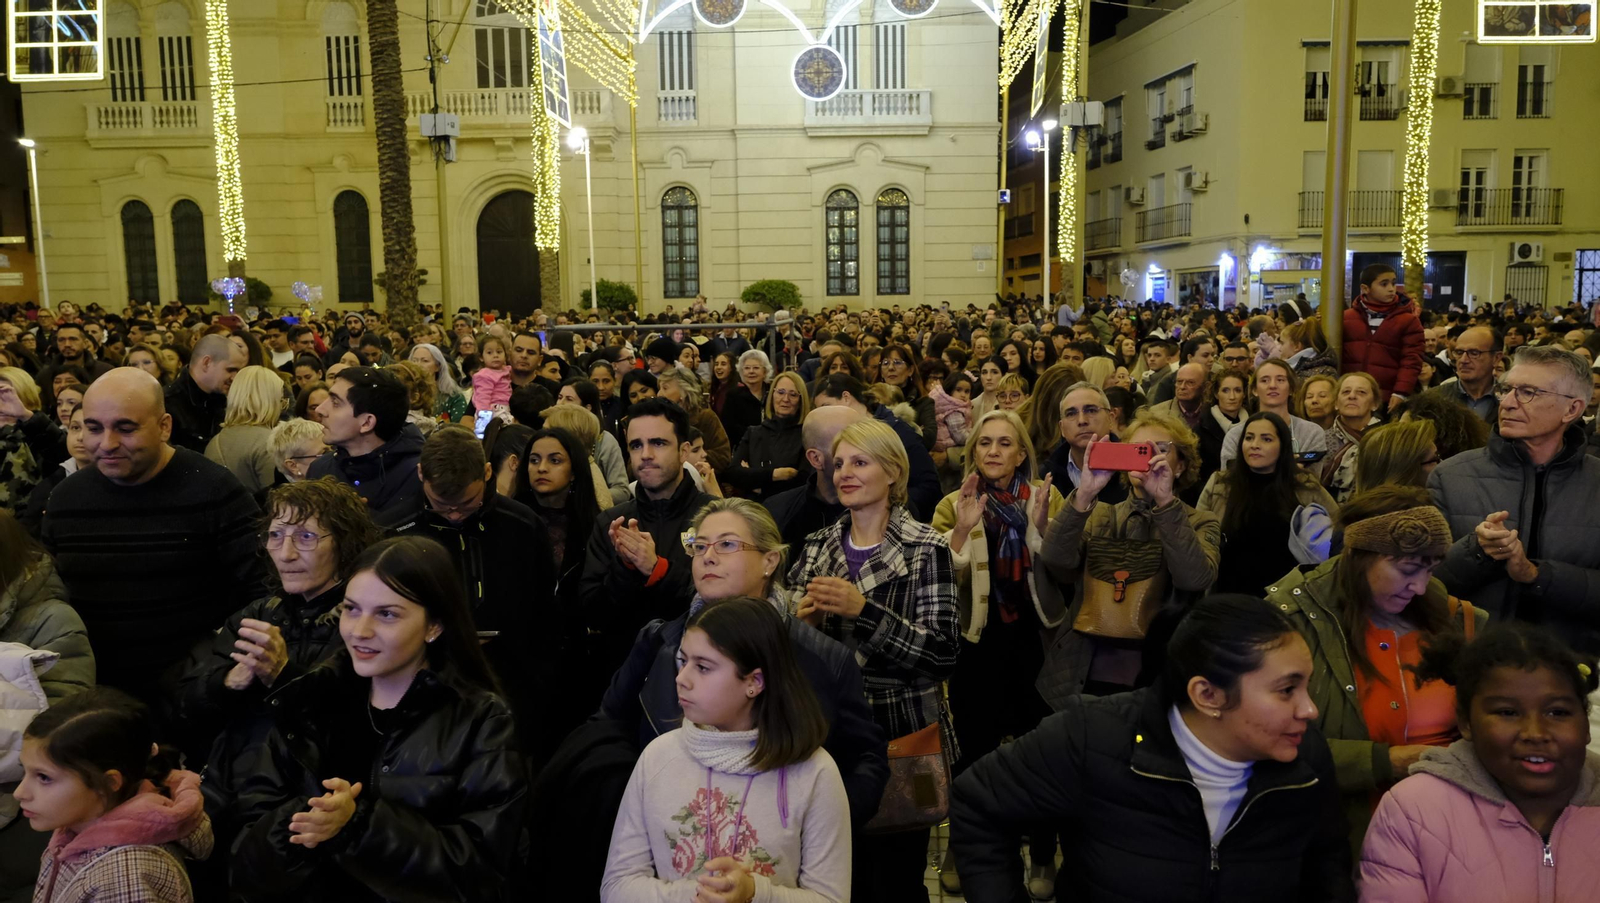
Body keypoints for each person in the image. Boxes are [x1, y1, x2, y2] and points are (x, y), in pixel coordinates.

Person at [949, 595, 1354, 902]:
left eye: (1306, 686)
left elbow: (1327, 865)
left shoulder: (1305, 760)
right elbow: (978, 804)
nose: (1310, 709)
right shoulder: (1094, 737)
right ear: (1207, 694)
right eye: (1287, 690)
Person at [228, 537, 528, 901]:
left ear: (433, 626)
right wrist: (307, 817)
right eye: (352, 609)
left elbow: (480, 871)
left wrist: (357, 826)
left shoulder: (480, 720)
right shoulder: (310, 703)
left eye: (387, 614)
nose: (359, 631)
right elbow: (246, 865)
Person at [597, 499, 888, 823]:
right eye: (700, 545)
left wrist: (815, 829)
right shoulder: (658, 643)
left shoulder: (825, 658)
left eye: (727, 544)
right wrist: (643, 803)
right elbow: (606, 729)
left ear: (769, 560)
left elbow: (865, 761)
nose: (708, 556)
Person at [787, 417, 958, 903]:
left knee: (895, 881)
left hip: (899, 737)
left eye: (859, 462)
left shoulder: (928, 548)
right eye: (839, 463)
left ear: (893, 472)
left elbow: (943, 654)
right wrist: (802, 627)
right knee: (836, 877)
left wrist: (864, 612)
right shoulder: (818, 546)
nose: (844, 472)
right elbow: (788, 648)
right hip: (824, 734)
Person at [1265, 486, 1486, 853]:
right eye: (1407, 569)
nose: (1418, 587)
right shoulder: (1290, 622)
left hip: (1451, 835)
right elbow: (1258, 740)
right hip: (1338, 841)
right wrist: (1384, 761)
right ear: (1357, 554)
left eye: (1430, 570)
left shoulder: (1453, 619)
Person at [600, 596, 853, 903]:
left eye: (703, 667)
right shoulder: (658, 757)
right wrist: (698, 894)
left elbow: (831, 898)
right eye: (684, 661)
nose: (681, 679)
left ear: (754, 682)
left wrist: (755, 893)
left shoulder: (814, 771)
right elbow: (616, 887)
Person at [42, 368, 266, 710]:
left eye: (125, 428)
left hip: (193, 701)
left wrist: (215, 672)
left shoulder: (215, 492)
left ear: (164, 426)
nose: (107, 444)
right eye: (93, 428)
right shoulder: (64, 499)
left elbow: (262, 592)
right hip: (96, 699)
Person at [1360, 624, 1600, 901]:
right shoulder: (1413, 811)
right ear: (1465, 722)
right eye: (1507, 712)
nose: (1536, 733)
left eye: (1557, 712)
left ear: (1586, 726)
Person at [932, 409, 1067, 897]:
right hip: (978, 646)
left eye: (1004, 443)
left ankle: (1043, 854)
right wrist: (960, 534)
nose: (993, 451)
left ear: (1022, 453)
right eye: (984, 443)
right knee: (973, 753)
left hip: (1036, 645)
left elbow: (1067, 572)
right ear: (973, 453)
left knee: (1042, 755)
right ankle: (963, 845)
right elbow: (944, 580)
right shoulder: (954, 503)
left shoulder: (1048, 499)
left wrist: (1044, 529)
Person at [386, 424, 553, 753]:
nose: (453, 516)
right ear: (421, 474)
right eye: (440, 505)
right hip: (425, 685)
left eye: (466, 504)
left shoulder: (523, 524)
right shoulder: (394, 533)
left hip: (512, 685)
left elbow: (545, 610)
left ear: (488, 472)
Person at [1039, 409, 1221, 701]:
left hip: (1161, 671)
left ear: (1180, 466)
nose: (1147, 460)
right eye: (1138, 450)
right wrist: (1084, 495)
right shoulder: (1098, 514)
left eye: (1158, 451)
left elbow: (1193, 579)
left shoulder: (1200, 521)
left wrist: (1165, 502)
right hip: (1086, 673)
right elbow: (1056, 561)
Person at [1429, 344, 1600, 654]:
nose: (1507, 403)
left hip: (1575, 665)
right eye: (1506, 389)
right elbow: (1422, 585)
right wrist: (1477, 551)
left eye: (1528, 392)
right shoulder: (1451, 476)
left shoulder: (1596, 483)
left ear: (1572, 410)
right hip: (1472, 661)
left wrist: (1536, 574)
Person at [17, 689, 213, 903]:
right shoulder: (79, 820)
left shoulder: (125, 879)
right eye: (24, 770)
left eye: (44, 777)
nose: (20, 793)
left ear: (109, 783)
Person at [581, 398, 715, 675]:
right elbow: (593, 613)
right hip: (623, 674)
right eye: (636, 445)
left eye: (659, 443)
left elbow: (725, 605)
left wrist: (658, 570)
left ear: (683, 450)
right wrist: (625, 568)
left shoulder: (715, 518)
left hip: (700, 671)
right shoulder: (612, 522)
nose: (645, 454)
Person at [1198, 411, 1339, 597]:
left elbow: (1339, 532)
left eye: (1266, 439)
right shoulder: (1220, 483)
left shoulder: (1305, 486)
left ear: (1283, 446)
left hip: (1287, 599)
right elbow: (1198, 534)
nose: (1254, 445)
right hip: (1228, 595)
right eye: (1249, 438)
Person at [308, 366, 425, 522]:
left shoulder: (418, 477)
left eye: (335, 402)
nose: (320, 409)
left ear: (367, 422)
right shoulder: (320, 469)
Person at [764, 405, 869, 549]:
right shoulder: (776, 512)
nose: (867, 451)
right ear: (816, 459)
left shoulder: (886, 509)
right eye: (851, 442)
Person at [1342, 263, 1424, 411]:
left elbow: (1411, 360)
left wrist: (1401, 392)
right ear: (1365, 288)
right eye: (1384, 284)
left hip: (1386, 398)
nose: (1391, 289)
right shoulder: (1346, 318)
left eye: (1393, 283)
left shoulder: (1408, 320)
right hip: (1351, 395)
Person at [1218, 359, 1330, 467]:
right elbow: (1229, 481)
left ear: (1291, 388)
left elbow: (1311, 481)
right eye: (1264, 380)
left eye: (1280, 380)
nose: (1272, 386)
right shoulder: (1235, 436)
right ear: (1255, 390)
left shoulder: (1312, 433)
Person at [724, 370, 809, 500]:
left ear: (801, 400)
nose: (785, 399)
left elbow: (802, 481)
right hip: (754, 510)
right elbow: (733, 474)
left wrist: (757, 483)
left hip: (791, 509)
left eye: (793, 395)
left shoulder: (806, 435)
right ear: (772, 395)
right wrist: (776, 474)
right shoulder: (754, 432)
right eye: (780, 392)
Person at [1041, 381, 1129, 506]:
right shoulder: (1046, 475)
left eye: (1091, 410)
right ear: (1062, 428)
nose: (1082, 420)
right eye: (1071, 413)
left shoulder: (1131, 470)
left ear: (1110, 419)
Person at [204, 364, 285, 495]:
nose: (281, 408)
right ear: (269, 402)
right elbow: (278, 500)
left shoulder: (214, 442)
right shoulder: (270, 442)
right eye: (280, 401)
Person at [165, 333, 246, 451]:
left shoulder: (224, 399)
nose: (235, 377)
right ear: (206, 363)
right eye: (231, 370)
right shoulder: (167, 403)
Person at [654, 369, 732, 474]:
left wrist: (690, 457)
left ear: (684, 392)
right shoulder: (656, 421)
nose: (659, 394)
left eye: (665, 388)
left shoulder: (706, 418)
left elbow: (723, 457)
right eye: (659, 388)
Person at [1193, 369, 1246, 503]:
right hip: (1214, 496)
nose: (1232, 396)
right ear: (1216, 394)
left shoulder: (1255, 424)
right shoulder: (1201, 428)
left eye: (1238, 390)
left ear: (1244, 394)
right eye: (1226, 390)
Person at [1429, 325, 1501, 423]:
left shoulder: (1511, 400)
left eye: (1474, 353)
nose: (1463, 360)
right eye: (1459, 352)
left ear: (1496, 358)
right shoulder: (1434, 399)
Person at [1353, 419, 1440, 495]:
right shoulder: (1429, 512)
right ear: (1405, 471)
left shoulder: (1353, 512)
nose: (1442, 465)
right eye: (1434, 460)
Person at [880, 343, 936, 447]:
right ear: (881, 373)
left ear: (910, 370)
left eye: (897, 362)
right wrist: (914, 430)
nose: (891, 368)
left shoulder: (923, 402)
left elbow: (929, 438)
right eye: (885, 363)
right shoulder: (871, 400)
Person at [406, 343, 470, 422]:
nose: (418, 365)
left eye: (425, 361)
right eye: (414, 360)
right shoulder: (404, 394)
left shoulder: (453, 396)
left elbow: (459, 429)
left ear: (438, 366)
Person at [722, 350, 771, 448]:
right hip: (745, 446)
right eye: (747, 368)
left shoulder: (773, 393)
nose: (751, 371)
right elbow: (729, 428)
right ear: (741, 372)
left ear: (765, 372)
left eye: (756, 368)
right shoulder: (733, 396)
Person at [471, 334, 514, 413]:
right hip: (494, 409)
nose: (495, 355)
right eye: (489, 353)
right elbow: (482, 398)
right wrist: (485, 416)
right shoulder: (484, 375)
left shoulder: (507, 369)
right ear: (481, 357)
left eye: (499, 352)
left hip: (507, 407)